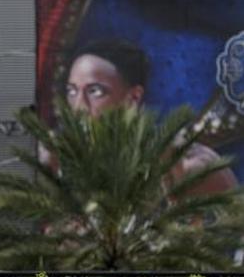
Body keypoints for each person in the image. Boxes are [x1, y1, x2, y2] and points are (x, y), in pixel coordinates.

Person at [45, 38, 238, 195]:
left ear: (133, 97)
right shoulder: (54, 160)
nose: (79, 107)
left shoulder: (189, 165)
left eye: (95, 91)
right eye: (72, 91)